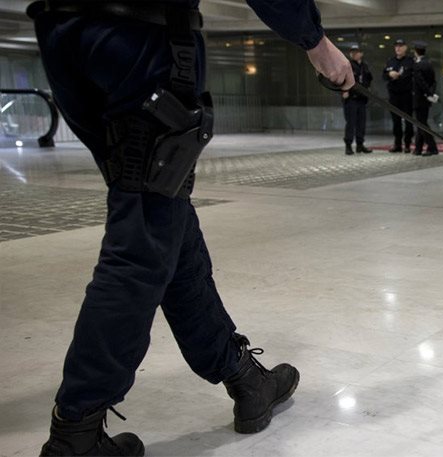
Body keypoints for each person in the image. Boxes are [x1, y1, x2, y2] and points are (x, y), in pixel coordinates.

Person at [27, 0, 353, 455]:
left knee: (163, 213)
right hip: (141, 37)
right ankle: (75, 433)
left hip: (62, 32)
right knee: (142, 239)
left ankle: (243, 376)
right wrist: (314, 40)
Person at [383, 38, 415, 153]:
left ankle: (407, 144)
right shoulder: (390, 61)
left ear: (405, 47)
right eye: (396, 46)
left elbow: (413, 76)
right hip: (394, 95)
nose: (398, 48)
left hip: (406, 95)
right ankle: (397, 144)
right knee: (396, 121)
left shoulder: (410, 61)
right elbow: (384, 76)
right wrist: (389, 74)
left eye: (400, 46)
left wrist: (400, 76)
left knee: (408, 121)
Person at [342, 44, 373, 155]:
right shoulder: (347, 65)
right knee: (351, 123)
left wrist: (368, 90)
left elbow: (368, 79)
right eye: (352, 52)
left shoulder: (365, 66)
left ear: (361, 53)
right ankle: (348, 145)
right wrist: (344, 91)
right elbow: (341, 80)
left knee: (361, 123)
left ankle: (360, 145)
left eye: (356, 52)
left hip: (362, 99)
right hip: (351, 98)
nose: (354, 54)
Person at [411, 41, 438, 156]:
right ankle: (418, 148)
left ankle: (432, 147)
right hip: (426, 99)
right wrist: (431, 94)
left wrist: (427, 93)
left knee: (422, 124)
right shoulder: (429, 64)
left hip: (419, 98)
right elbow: (434, 82)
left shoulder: (417, 65)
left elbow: (420, 83)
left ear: (416, 52)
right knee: (421, 123)